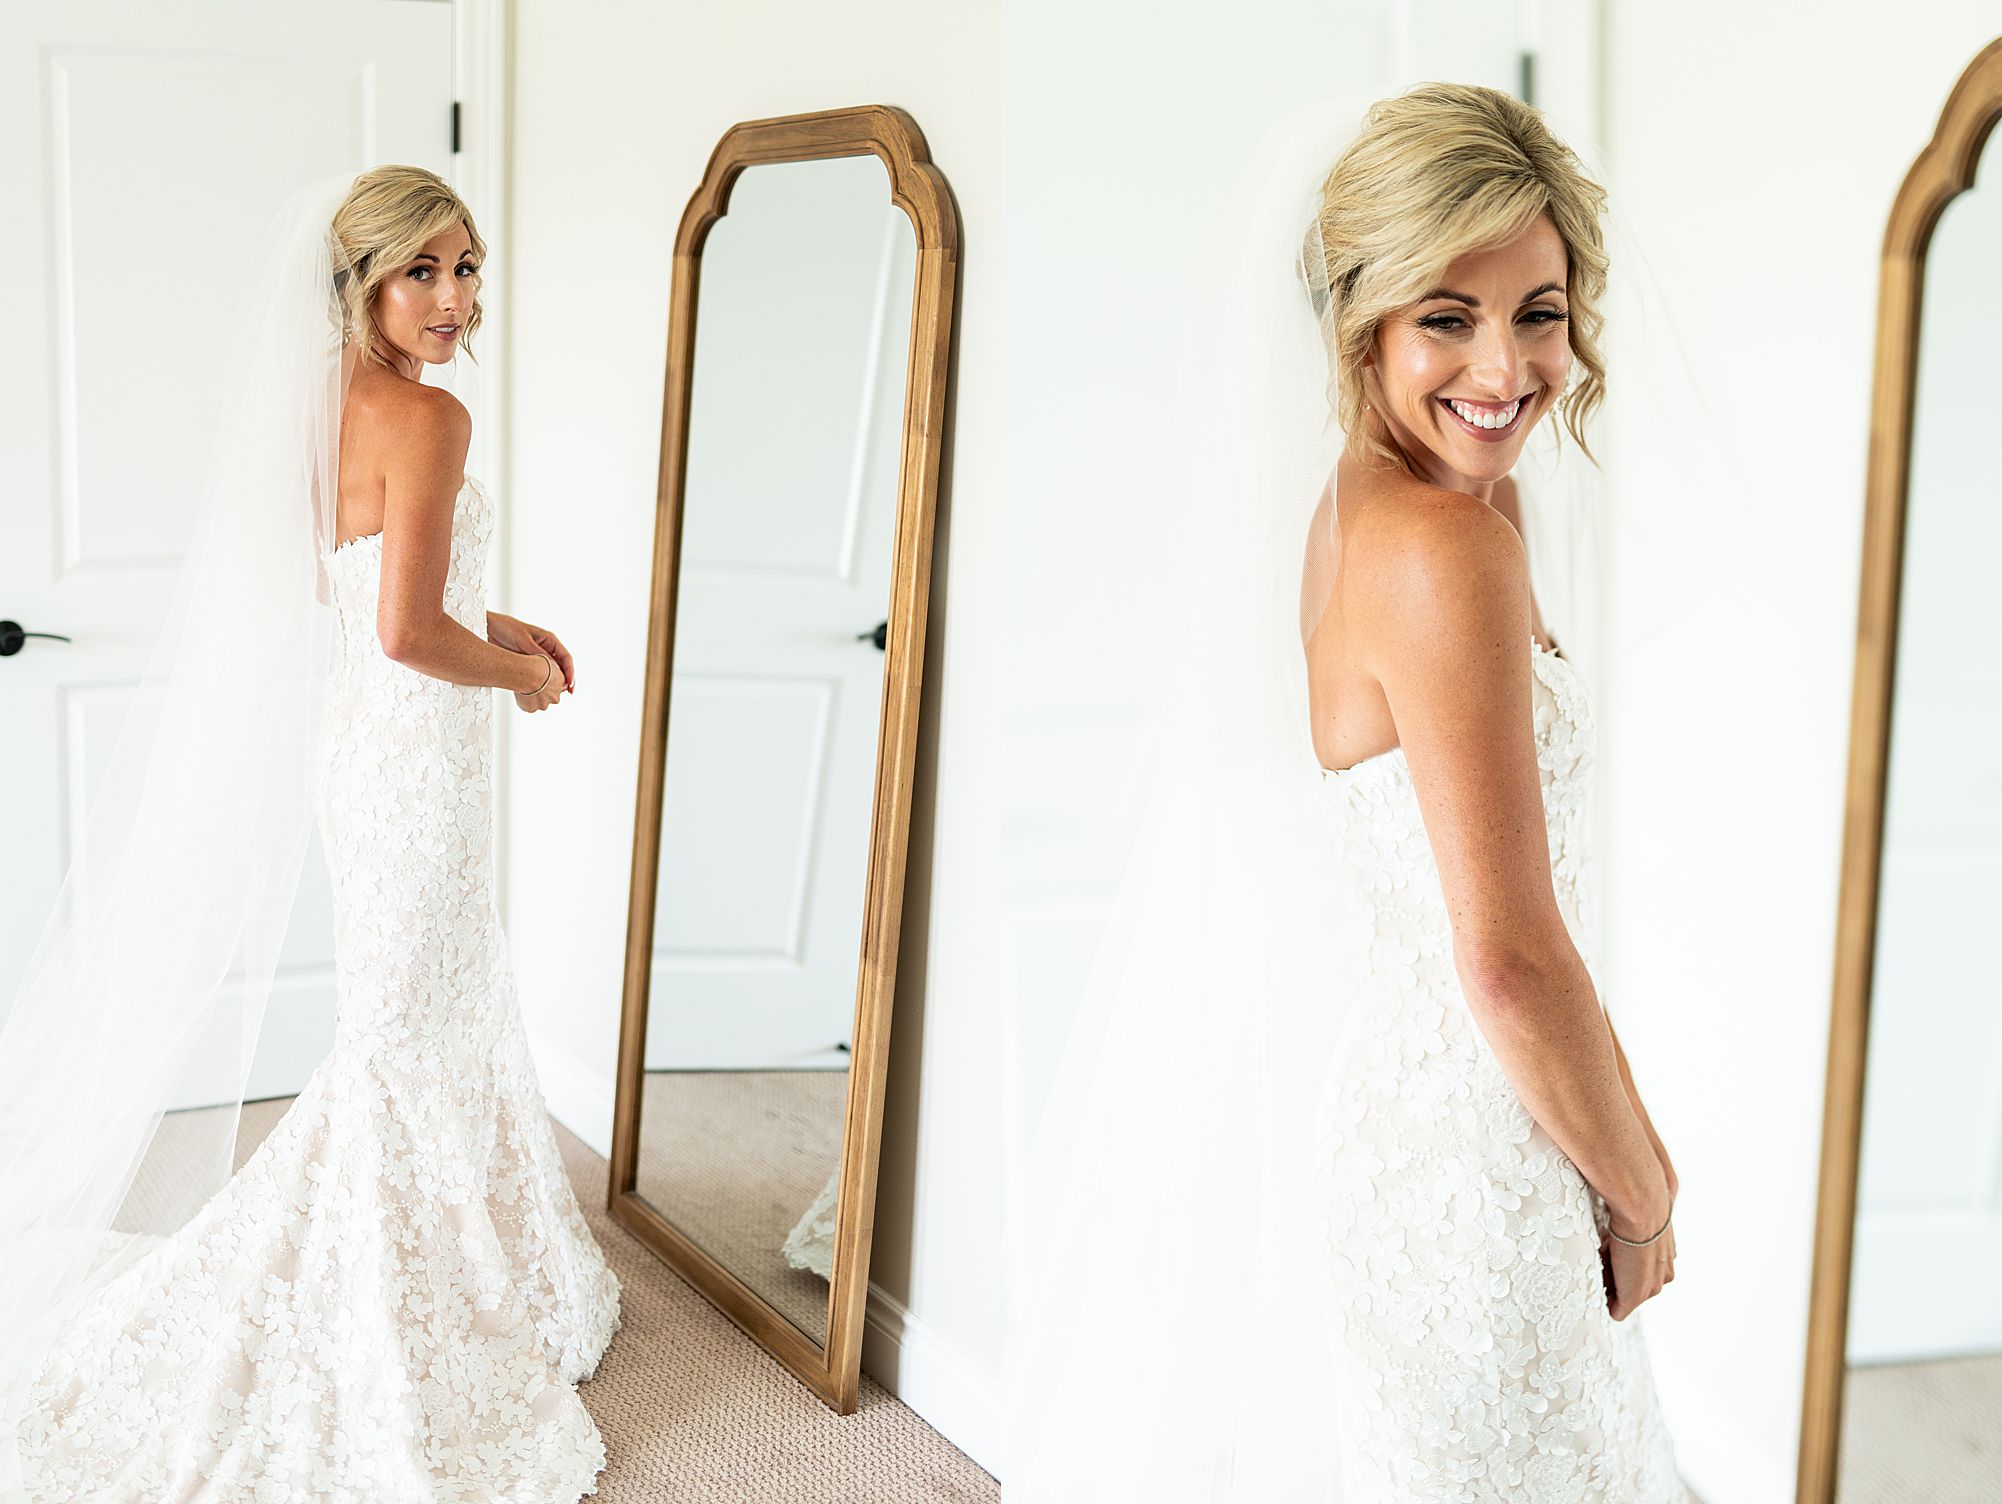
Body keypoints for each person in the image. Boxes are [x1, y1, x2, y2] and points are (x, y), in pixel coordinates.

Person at [1006, 84, 1695, 1502]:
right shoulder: (1445, 549)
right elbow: (1506, 957)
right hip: (1482, 1155)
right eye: (1446, 315)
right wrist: (1643, 1193)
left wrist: (1622, 1133)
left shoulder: (1375, 504)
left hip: (1439, 1112)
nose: (1504, 366)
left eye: (1539, 311)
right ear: (1358, 321)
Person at [0, 166, 620, 1500]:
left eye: (467, 267)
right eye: (422, 271)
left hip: (363, 755)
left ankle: (438, 1250)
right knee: (410, 1031)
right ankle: (390, 1282)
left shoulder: (315, 402)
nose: (454, 298)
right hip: (421, 762)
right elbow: (405, 630)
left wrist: (497, 624)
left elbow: (349, 589)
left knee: (407, 1018)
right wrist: (517, 674)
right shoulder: (433, 417)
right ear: (361, 282)